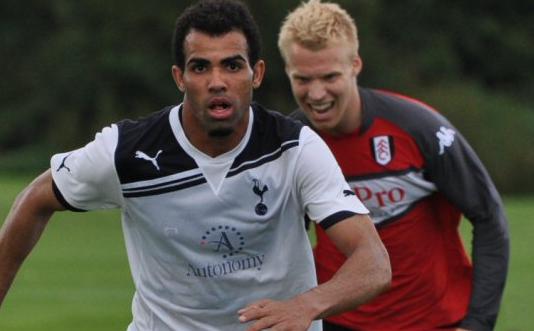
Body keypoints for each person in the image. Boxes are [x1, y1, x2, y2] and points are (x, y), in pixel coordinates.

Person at [0, 0, 391, 330]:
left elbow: (373, 263)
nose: (217, 81)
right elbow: (36, 198)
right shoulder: (126, 151)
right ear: (180, 77)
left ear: (256, 74)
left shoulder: (295, 148)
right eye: (201, 67)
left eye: (232, 66)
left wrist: (307, 305)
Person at [277, 1, 509, 330]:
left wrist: (477, 324)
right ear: (288, 71)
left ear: (355, 65)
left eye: (330, 76)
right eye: (303, 79)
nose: (316, 93)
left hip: (432, 321)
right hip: (337, 321)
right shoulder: (291, 141)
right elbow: (281, 237)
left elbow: (489, 216)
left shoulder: (420, 128)